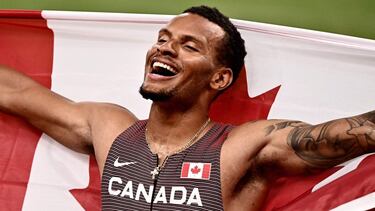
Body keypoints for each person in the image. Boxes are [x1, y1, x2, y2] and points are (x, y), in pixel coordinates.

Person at [0, 5, 374, 211]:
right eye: (163, 39)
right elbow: (15, 91)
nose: (164, 48)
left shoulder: (241, 147)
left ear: (219, 79)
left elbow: (352, 133)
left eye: (189, 46)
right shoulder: (109, 129)